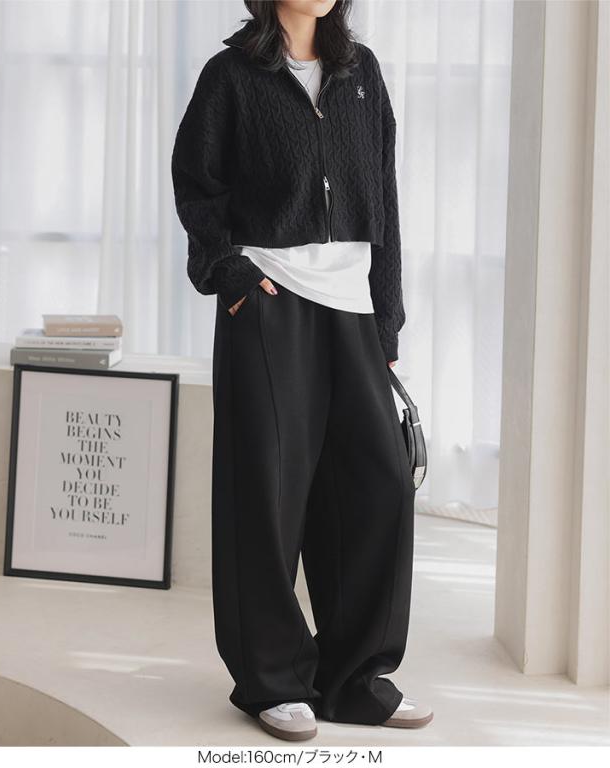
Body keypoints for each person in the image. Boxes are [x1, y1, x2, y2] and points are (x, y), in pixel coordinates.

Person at [171, 0, 433, 741]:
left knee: (377, 485)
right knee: (267, 490)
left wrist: (387, 318)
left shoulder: (360, 72)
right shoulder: (231, 76)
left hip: (353, 305)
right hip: (270, 296)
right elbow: (196, 182)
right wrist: (229, 273)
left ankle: (354, 678)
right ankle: (272, 679)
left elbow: (383, 195)